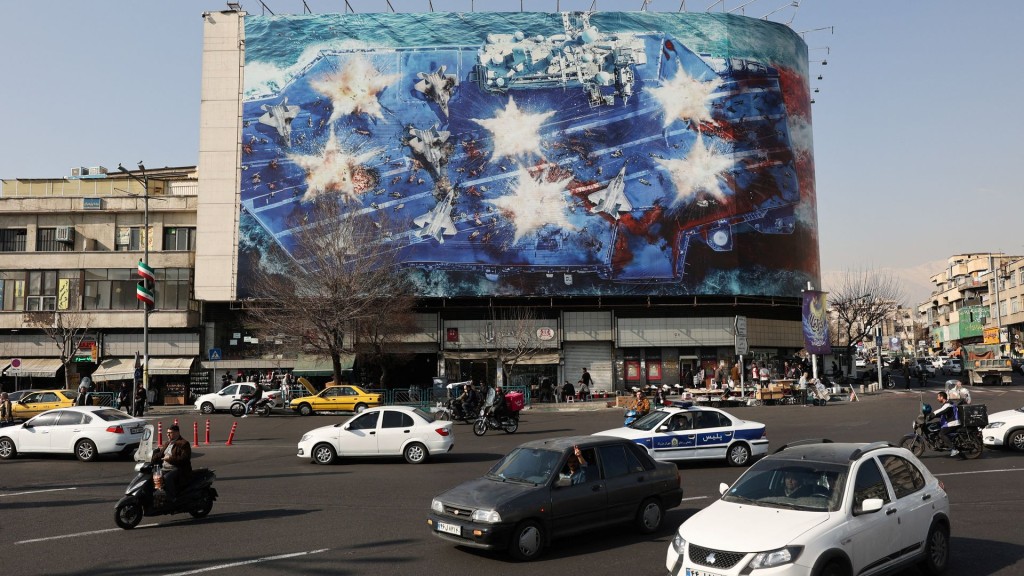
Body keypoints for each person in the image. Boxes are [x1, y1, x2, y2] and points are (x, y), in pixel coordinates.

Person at [157, 424, 192, 500]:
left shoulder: (184, 443)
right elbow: (160, 454)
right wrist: (148, 458)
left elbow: (184, 459)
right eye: (167, 433)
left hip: (178, 468)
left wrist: (170, 459)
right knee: (154, 477)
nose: (168, 435)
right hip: (165, 468)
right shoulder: (168, 443)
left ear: (177, 433)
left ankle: (172, 498)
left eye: (170, 433)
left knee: (167, 478)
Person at [931, 391, 961, 457]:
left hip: (953, 423)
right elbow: (942, 412)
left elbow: (941, 411)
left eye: (938, 397)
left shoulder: (948, 404)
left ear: (942, 397)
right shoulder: (946, 404)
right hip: (950, 422)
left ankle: (954, 449)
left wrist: (932, 415)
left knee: (942, 433)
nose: (937, 398)